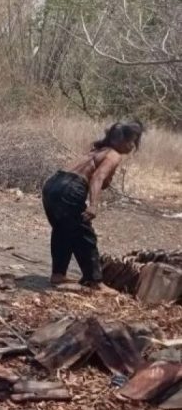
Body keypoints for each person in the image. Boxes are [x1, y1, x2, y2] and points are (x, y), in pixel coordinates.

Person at [41, 120, 144, 288]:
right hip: (70, 188)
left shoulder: (97, 151)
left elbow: (97, 177)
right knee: (84, 235)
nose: (132, 146)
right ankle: (95, 281)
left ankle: (58, 275)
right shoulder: (113, 154)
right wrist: (93, 205)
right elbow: (97, 178)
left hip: (53, 184)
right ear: (119, 140)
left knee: (62, 231)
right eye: (131, 141)